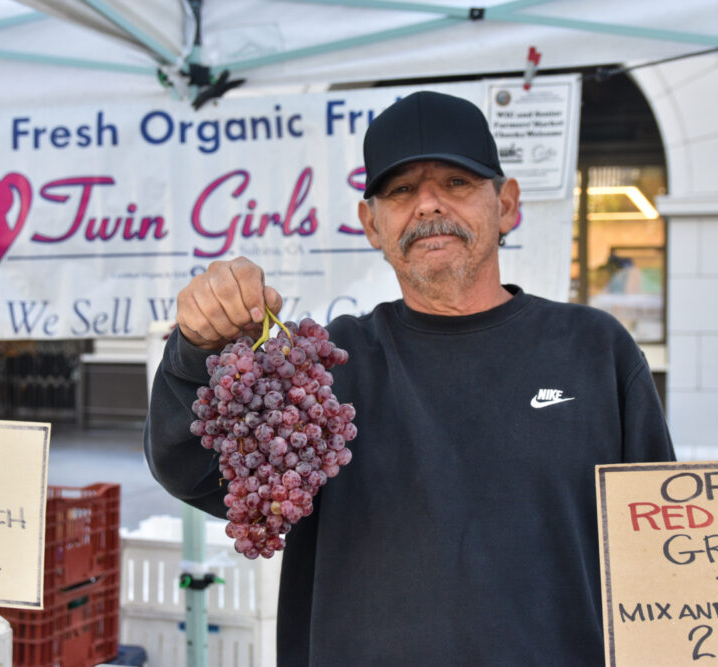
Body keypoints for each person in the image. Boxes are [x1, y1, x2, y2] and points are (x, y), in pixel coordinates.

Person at [144, 90, 675, 665]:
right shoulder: (319, 372)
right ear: (372, 224)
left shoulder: (595, 349)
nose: (427, 205)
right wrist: (198, 347)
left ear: (508, 205)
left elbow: (656, 548)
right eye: (400, 190)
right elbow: (195, 471)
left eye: (457, 183)